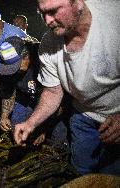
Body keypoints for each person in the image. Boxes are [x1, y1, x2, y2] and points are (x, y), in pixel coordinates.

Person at [14, 0, 120, 175]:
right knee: (81, 173)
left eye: (53, 11)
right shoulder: (48, 45)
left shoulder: (114, 20)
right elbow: (52, 91)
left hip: (116, 114)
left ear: (78, 3)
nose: (47, 21)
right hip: (83, 116)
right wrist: (31, 122)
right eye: (42, 13)